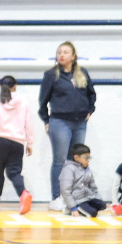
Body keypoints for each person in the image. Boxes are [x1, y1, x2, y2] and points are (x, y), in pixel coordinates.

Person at [39, 41, 96, 211]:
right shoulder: (51, 75)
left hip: (80, 122)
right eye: (59, 52)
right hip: (60, 121)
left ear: (73, 56)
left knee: (77, 161)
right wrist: (46, 120)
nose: (61, 55)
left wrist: (90, 110)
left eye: (65, 52)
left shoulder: (82, 73)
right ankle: (57, 197)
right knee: (60, 160)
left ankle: (75, 196)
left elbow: (91, 93)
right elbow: (43, 99)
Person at [0, 76, 33, 212]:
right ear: (15, 86)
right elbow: (28, 124)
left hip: (0, 141)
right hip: (18, 142)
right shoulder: (24, 102)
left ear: (1, 87)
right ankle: (23, 193)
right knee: (14, 172)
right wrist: (30, 142)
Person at [58, 144, 113, 217]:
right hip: (76, 201)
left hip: (87, 199)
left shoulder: (87, 169)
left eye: (89, 157)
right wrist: (72, 207)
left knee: (102, 205)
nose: (88, 160)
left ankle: (84, 208)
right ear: (76, 158)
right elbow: (65, 191)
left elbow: (93, 187)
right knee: (93, 213)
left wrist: (99, 200)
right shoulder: (68, 169)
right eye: (86, 158)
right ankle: (72, 209)